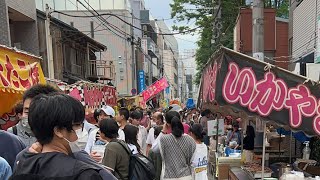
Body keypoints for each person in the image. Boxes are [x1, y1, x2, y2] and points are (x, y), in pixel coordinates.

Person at [11, 93, 102, 179]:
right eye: (77, 125)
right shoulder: (83, 174)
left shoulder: (22, 166)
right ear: (58, 131)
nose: (83, 131)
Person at [152, 112, 196, 180]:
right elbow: (192, 160)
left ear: (167, 124)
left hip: (168, 176)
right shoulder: (190, 140)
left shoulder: (164, 139)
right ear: (180, 120)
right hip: (186, 176)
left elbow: (154, 149)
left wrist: (163, 131)